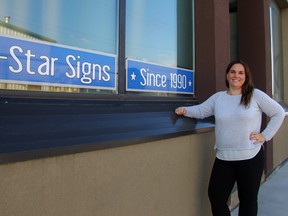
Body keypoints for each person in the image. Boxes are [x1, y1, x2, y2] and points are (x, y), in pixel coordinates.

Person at [175, 60, 285, 216]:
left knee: (248, 200)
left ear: (246, 77)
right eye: (233, 72)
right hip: (224, 158)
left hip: (250, 157)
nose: (236, 76)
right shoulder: (218, 98)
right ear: (227, 75)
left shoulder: (255, 95)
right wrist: (184, 110)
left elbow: (278, 113)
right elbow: (201, 111)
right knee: (216, 196)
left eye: (241, 73)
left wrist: (265, 136)